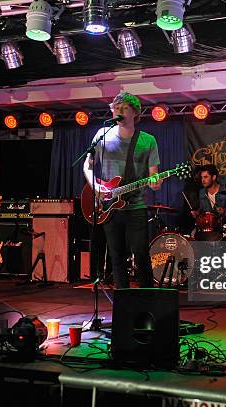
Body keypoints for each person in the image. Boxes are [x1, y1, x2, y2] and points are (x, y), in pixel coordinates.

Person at [83, 92, 162, 289]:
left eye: (124, 108)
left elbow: (154, 174)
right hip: (109, 206)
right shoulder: (102, 136)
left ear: (135, 112)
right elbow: (87, 166)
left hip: (136, 205)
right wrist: (96, 187)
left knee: (141, 254)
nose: (119, 112)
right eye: (116, 108)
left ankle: (147, 299)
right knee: (116, 257)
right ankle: (123, 301)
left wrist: (156, 182)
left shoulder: (148, 140)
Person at [190, 164, 226, 239]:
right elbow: (202, 210)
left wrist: (223, 211)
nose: (203, 180)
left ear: (214, 177)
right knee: (192, 236)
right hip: (208, 228)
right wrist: (197, 213)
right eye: (202, 177)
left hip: (224, 227)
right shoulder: (202, 192)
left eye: (205, 177)